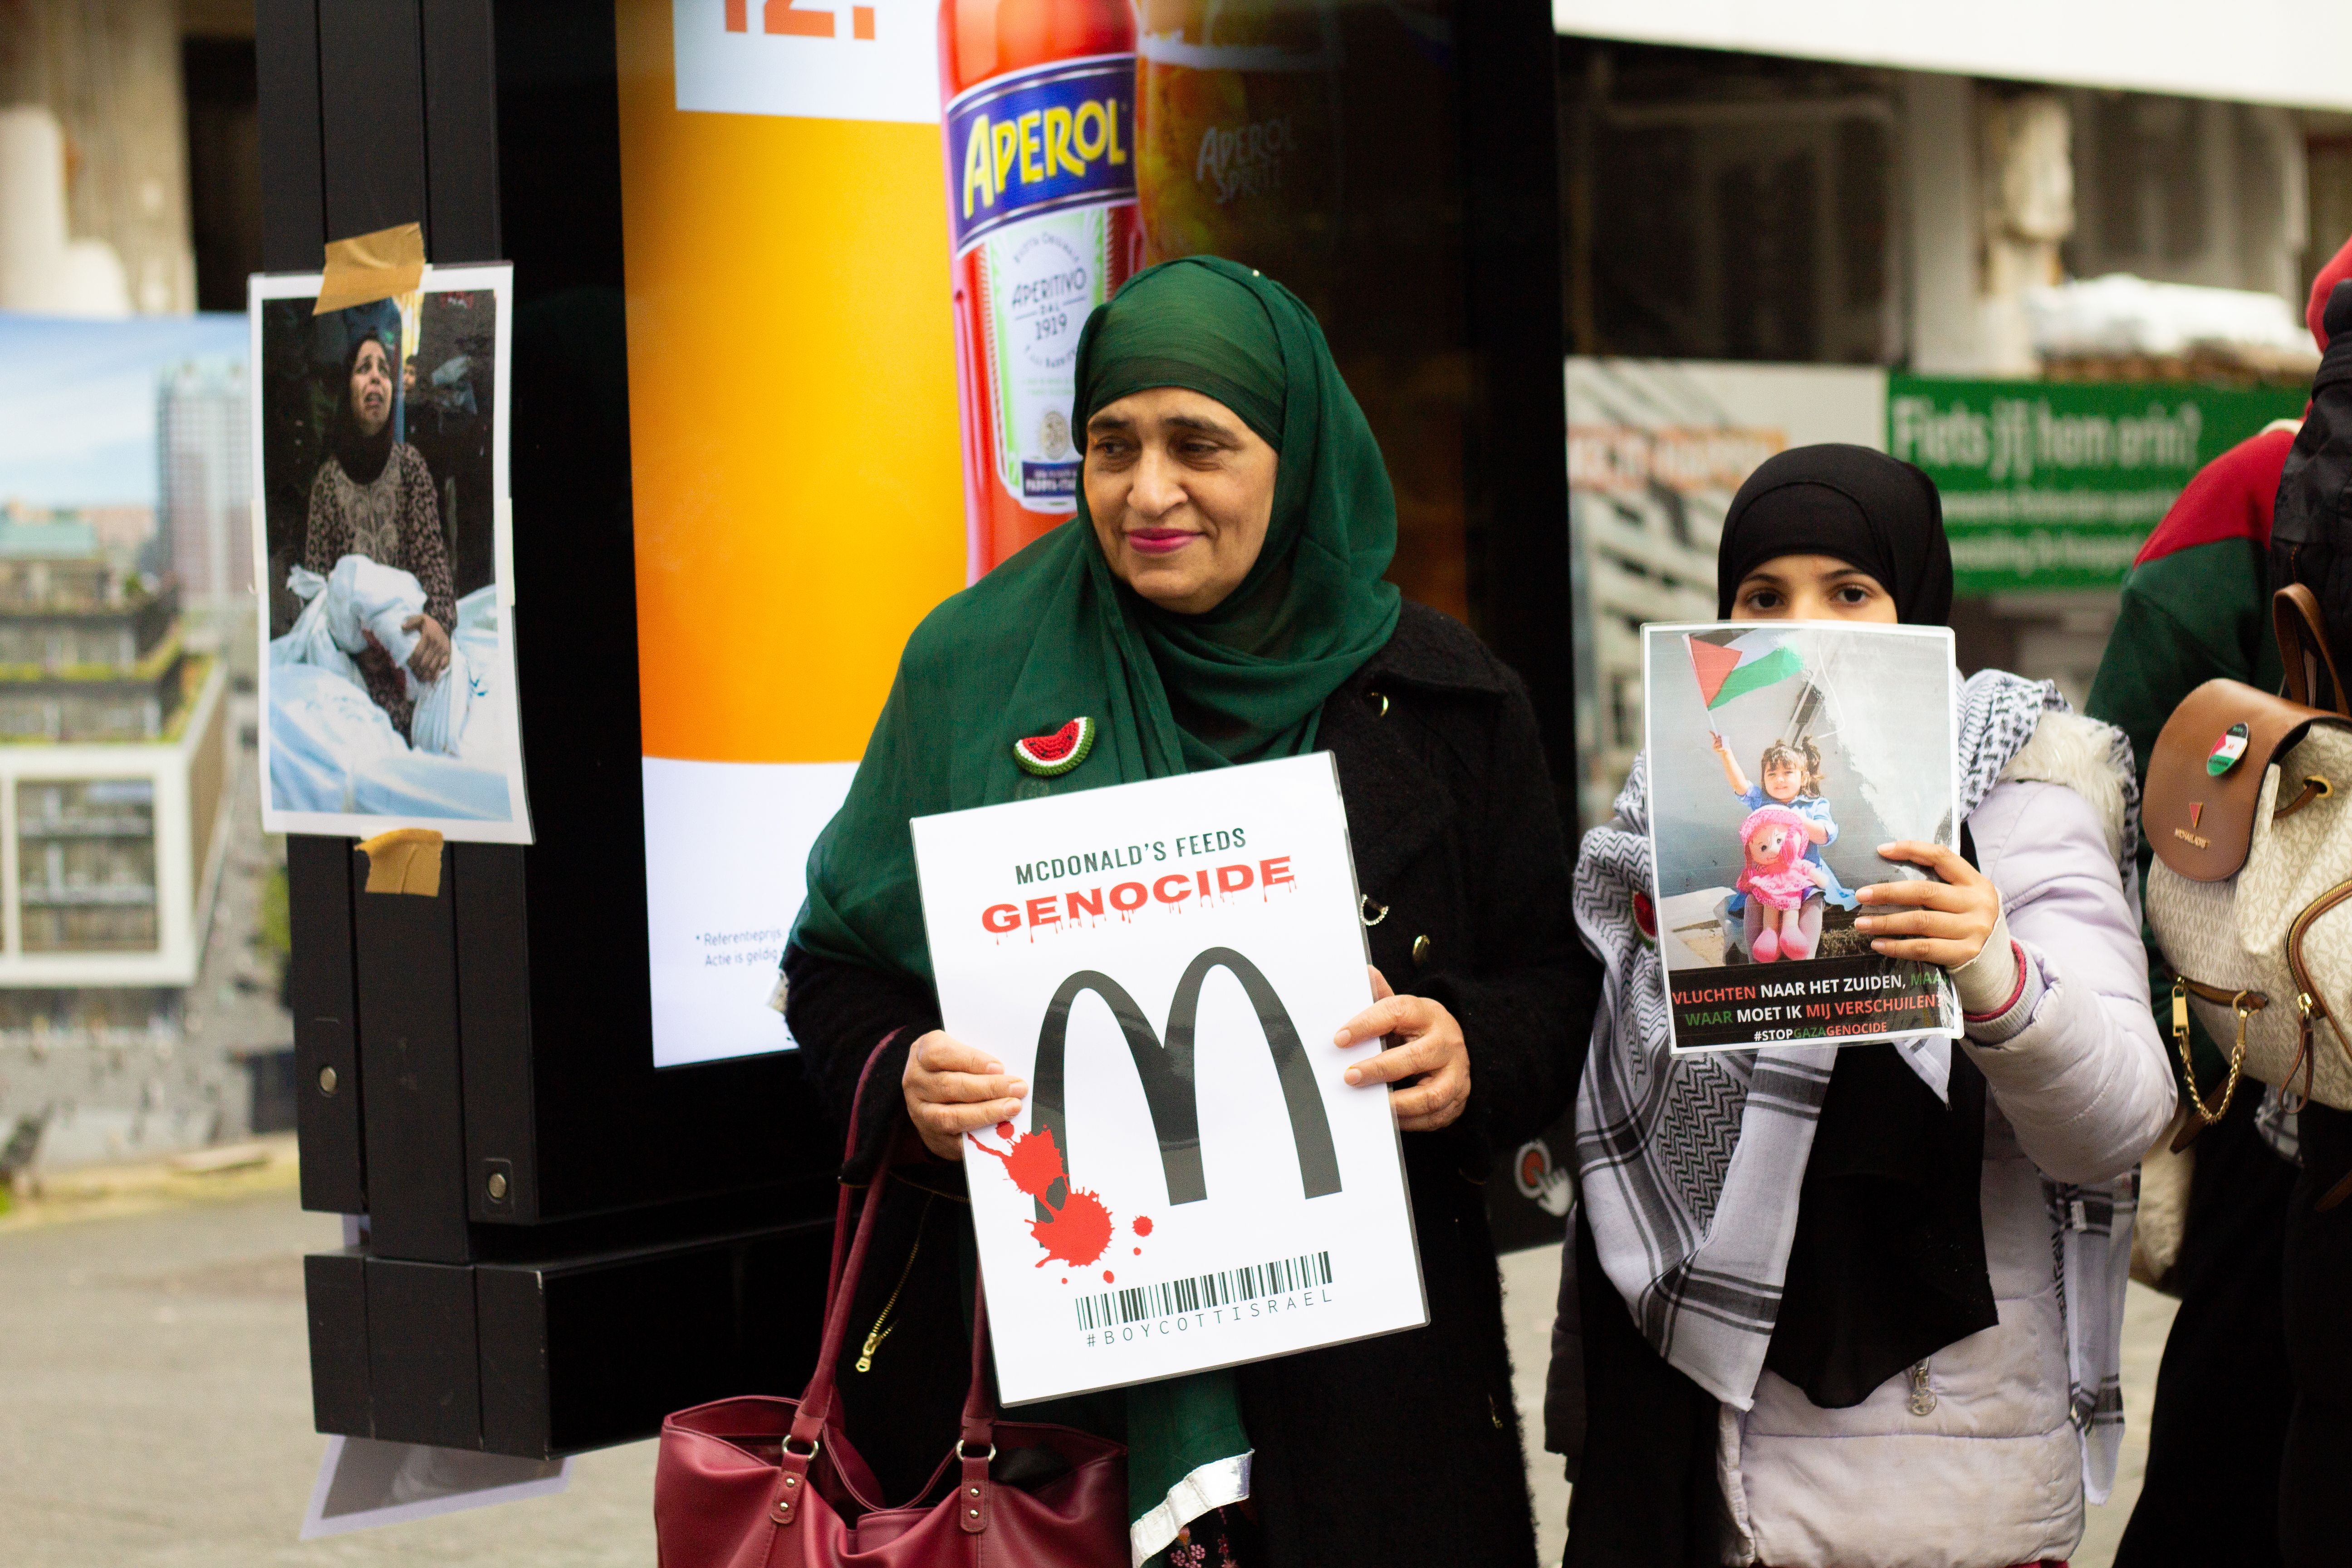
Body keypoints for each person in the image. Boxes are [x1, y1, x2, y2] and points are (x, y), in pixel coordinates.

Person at [780, 256, 1599, 1568]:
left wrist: (1468, 1053)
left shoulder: (1446, 699)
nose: (1147, 492)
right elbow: (833, 968)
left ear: (1296, 452)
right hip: (1052, 1415)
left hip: (1374, 1409)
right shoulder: (973, 668)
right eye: (1111, 444)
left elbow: (1555, 986)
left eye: (1199, 444)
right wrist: (901, 1083)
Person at [1555, 444, 2173, 1568]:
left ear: (1916, 601)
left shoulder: (2027, 803)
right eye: (1761, 597)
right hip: (1707, 1467)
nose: (1804, 626)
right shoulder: (1672, 815)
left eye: (1848, 592)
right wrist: (1667, 942)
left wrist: (1992, 969)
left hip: (1945, 1483)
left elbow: (2119, 1118)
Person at [2087, 231, 2352, 1568]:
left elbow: (2129, 785)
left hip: (2292, 1059)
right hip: (2287, 1051)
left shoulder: (2255, 482)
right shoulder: (2265, 484)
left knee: (2250, 1432)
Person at [303, 330, 454, 740]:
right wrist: (357, 648)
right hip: (358, 666)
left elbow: (433, 563)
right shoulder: (327, 485)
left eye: (384, 371)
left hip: (412, 644)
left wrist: (438, 626)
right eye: (363, 369)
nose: (376, 379)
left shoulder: (410, 469)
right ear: (347, 391)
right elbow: (317, 593)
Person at [1712, 732, 1849, 959]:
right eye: (1772, 774)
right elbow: (1741, 786)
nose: (1780, 779)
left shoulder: (1816, 805)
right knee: (1754, 901)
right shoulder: (1762, 801)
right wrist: (1726, 754)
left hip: (1804, 883)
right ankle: (1758, 962)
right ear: (1764, 779)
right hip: (1767, 880)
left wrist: (1790, 817)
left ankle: (1804, 961)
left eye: (1788, 773)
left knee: (1812, 905)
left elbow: (1825, 835)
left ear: (1804, 778)